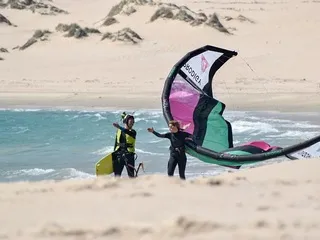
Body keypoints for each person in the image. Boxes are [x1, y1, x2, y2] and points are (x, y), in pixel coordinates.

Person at [112, 112, 137, 178]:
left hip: (129, 156)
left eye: (133, 122)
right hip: (118, 156)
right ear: (126, 122)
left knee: (131, 176)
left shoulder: (133, 132)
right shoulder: (119, 131)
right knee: (117, 176)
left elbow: (126, 131)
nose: (132, 123)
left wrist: (119, 127)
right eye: (131, 122)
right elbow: (115, 143)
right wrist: (113, 154)